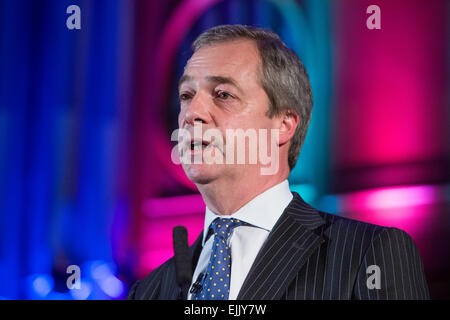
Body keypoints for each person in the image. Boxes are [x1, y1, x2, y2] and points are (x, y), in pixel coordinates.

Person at [127, 25, 429, 300]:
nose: (192, 112)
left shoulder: (367, 255)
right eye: (186, 94)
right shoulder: (149, 290)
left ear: (283, 124)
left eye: (222, 94)